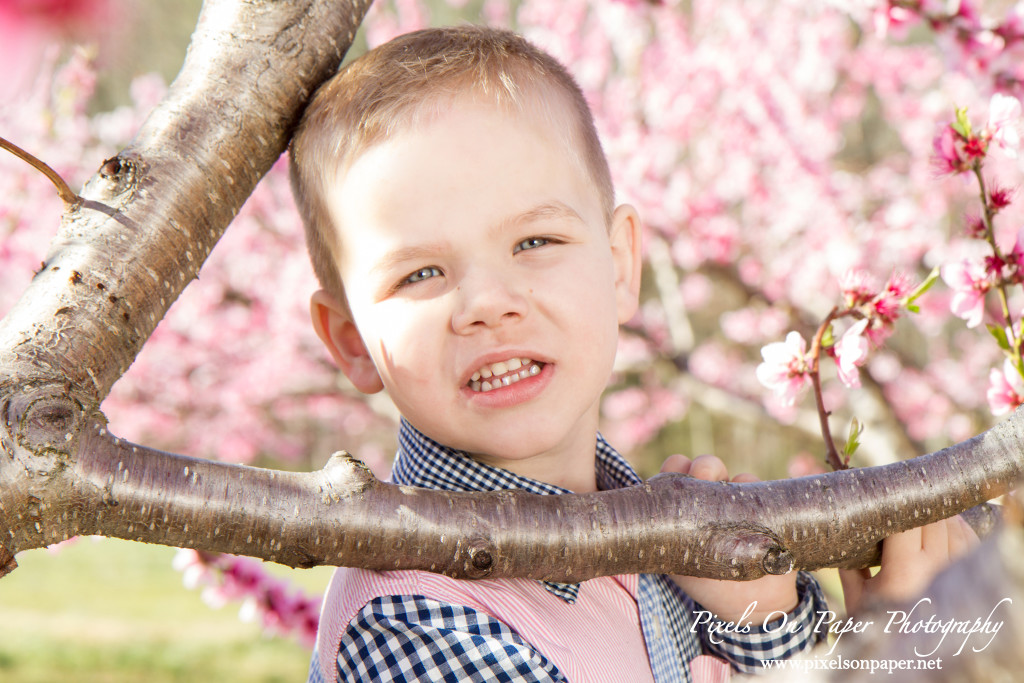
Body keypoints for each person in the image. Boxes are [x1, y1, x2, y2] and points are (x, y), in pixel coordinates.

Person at [289, 25, 978, 683]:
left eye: (535, 242)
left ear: (620, 265)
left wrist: (766, 616)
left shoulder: (658, 534)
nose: (487, 302)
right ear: (351, 339)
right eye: (419, 274)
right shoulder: (412, 621)